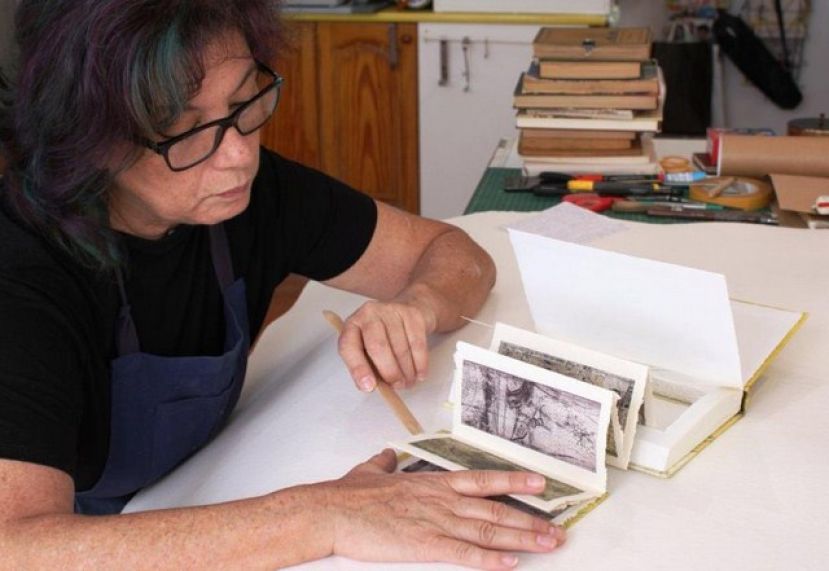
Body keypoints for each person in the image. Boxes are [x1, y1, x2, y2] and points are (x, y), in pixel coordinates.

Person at [0, 1, 566, 568]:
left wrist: (419, 305)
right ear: (87, 136)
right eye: (185, 129)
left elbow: (457, 255)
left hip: (201, 486)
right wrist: (324, 515)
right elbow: (15, 547)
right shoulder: (21, 276)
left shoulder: (248, 196)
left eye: (243, 102)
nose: (239, 154)